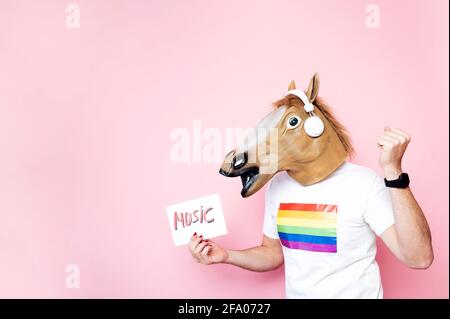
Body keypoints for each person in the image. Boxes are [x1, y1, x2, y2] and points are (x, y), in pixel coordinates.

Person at [188, 127, 433, 298]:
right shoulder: (277, 186)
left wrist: (393, 171)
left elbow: (419, 258)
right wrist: (225, 255)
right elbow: (272, 254)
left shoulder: (363, 182)